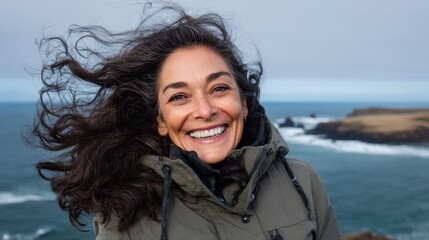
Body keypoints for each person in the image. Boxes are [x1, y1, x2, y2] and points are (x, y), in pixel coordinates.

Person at [31, 3, 344, 240]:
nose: (205, 110)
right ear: (160, 122)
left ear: (244, 103)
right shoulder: (126, 215)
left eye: (219, 88)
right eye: (179, 97)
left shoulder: (301, 181)